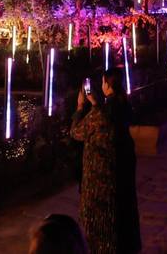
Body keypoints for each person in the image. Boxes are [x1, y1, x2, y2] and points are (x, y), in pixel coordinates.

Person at [70, 68, 141, 254]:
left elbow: (77, 132)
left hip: (101, 179)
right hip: (121, 174)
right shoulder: (123, 106)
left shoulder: (102, 112)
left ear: (107, 85)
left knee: (101, 225)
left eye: (103, 82)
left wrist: (80, 107)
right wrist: (95, 103)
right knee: (122, 218)